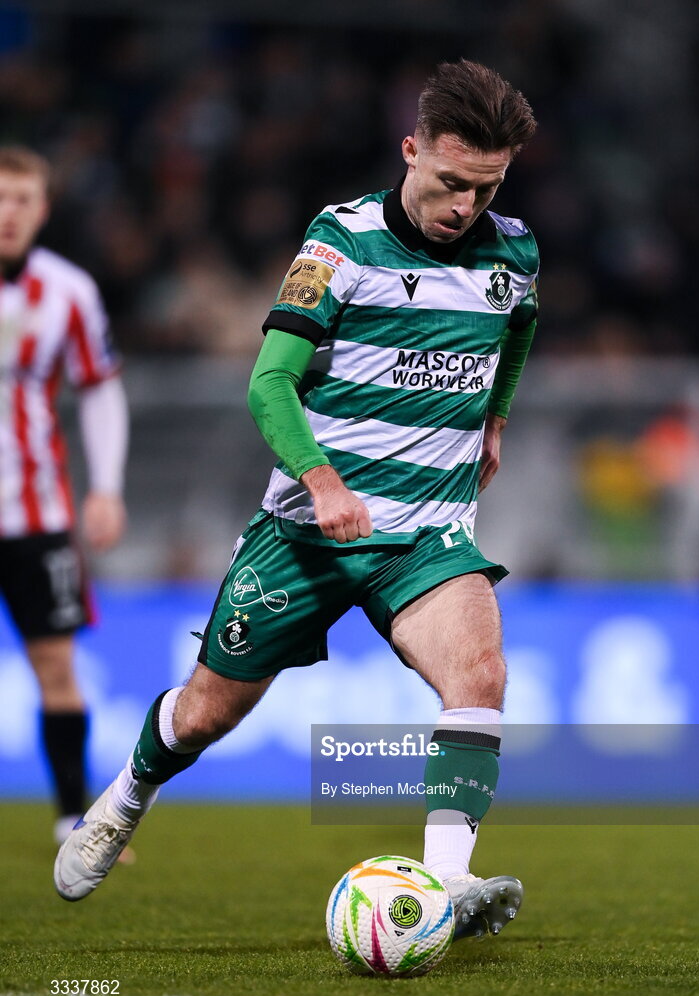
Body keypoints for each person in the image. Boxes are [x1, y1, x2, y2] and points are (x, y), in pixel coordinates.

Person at [55, 60, 538, 942]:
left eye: (487, 187)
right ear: (411, 150)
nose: (466, 206)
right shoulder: (339, 243)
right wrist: (323, 483)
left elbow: (518, 328)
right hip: (306, 532)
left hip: (423, 534)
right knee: (204, 715)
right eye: (451, 182)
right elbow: (269, 384)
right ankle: (126, 796)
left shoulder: (514, 251)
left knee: (481, 674)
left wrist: (495, 419)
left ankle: (443, 887)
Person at [0, 146, 129, 845]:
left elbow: (100, 389)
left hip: (36, 515)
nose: (8, 213)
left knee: (56, 666)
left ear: (43, 210)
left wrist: (106, 488)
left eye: (22, 199)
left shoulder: (68, 291)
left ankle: (70, 817)